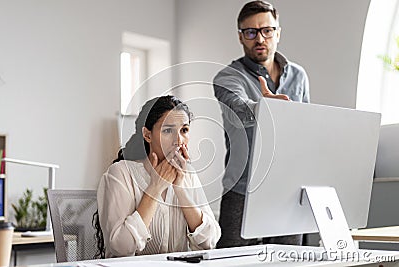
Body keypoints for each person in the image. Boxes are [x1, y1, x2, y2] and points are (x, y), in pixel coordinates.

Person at [213, 0, 310, 248]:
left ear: (278, 32)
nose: (260, 38)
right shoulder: (227, 77)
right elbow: (239, 107)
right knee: (231, 263)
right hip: (242, 189)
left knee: (289, 262)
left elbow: (307, 127)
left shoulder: (298, 76)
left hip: (289, 190)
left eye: (267, 30)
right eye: (251, 32)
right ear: (240, 37)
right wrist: (265, 108)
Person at [94, 95, 221, 258]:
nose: (179, 140)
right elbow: (122, 248)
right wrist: (155, 188)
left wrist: (180, 189)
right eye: (168, 130)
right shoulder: (120, 173)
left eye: (184, 130)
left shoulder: (188, 176)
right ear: (147, 135)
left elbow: (209, 242)